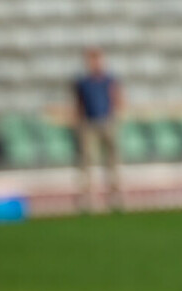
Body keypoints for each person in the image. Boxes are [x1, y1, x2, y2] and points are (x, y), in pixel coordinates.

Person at [73, 47, 124, 211]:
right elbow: (78, 103)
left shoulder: (109, 80)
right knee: (87, 160)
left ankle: (114, 195)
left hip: (107, 121)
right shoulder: (83, 82)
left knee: (112, 160)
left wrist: (116, 116)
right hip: (89, 123)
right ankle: (87, 197)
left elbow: (116, 97)